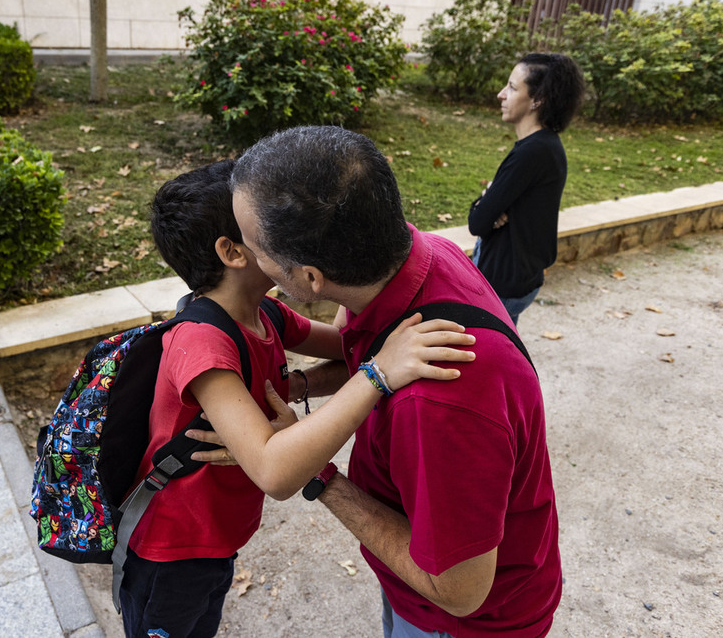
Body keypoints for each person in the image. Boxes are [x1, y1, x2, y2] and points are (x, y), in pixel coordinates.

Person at [120, 159, 476, 638]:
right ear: (232, 251)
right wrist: (379, 374)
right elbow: (274, 470)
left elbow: (352, 344)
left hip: (218, 536)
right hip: (174, 547)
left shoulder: (263, 312)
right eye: (262, 223)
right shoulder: (201, 342)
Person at [230, 125, 560, 637]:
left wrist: (321, 476)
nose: (253, 261)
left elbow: (460, 591)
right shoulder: (423, 254)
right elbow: (363, 353)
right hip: (417, 583)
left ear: (311, 278)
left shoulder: (440, 400)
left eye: (256, 248)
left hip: (461, 623)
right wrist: (294, 386)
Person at [468, 53, 586, 324]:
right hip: (520, 277)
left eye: (511, 87)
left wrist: (488, 206)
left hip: (502, 283)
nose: (501, 94)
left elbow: (477, 221)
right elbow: (487, 213)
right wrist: (489, 206)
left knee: (486, 360)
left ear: (538, 99)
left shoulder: (532, 153)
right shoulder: (546, 145)